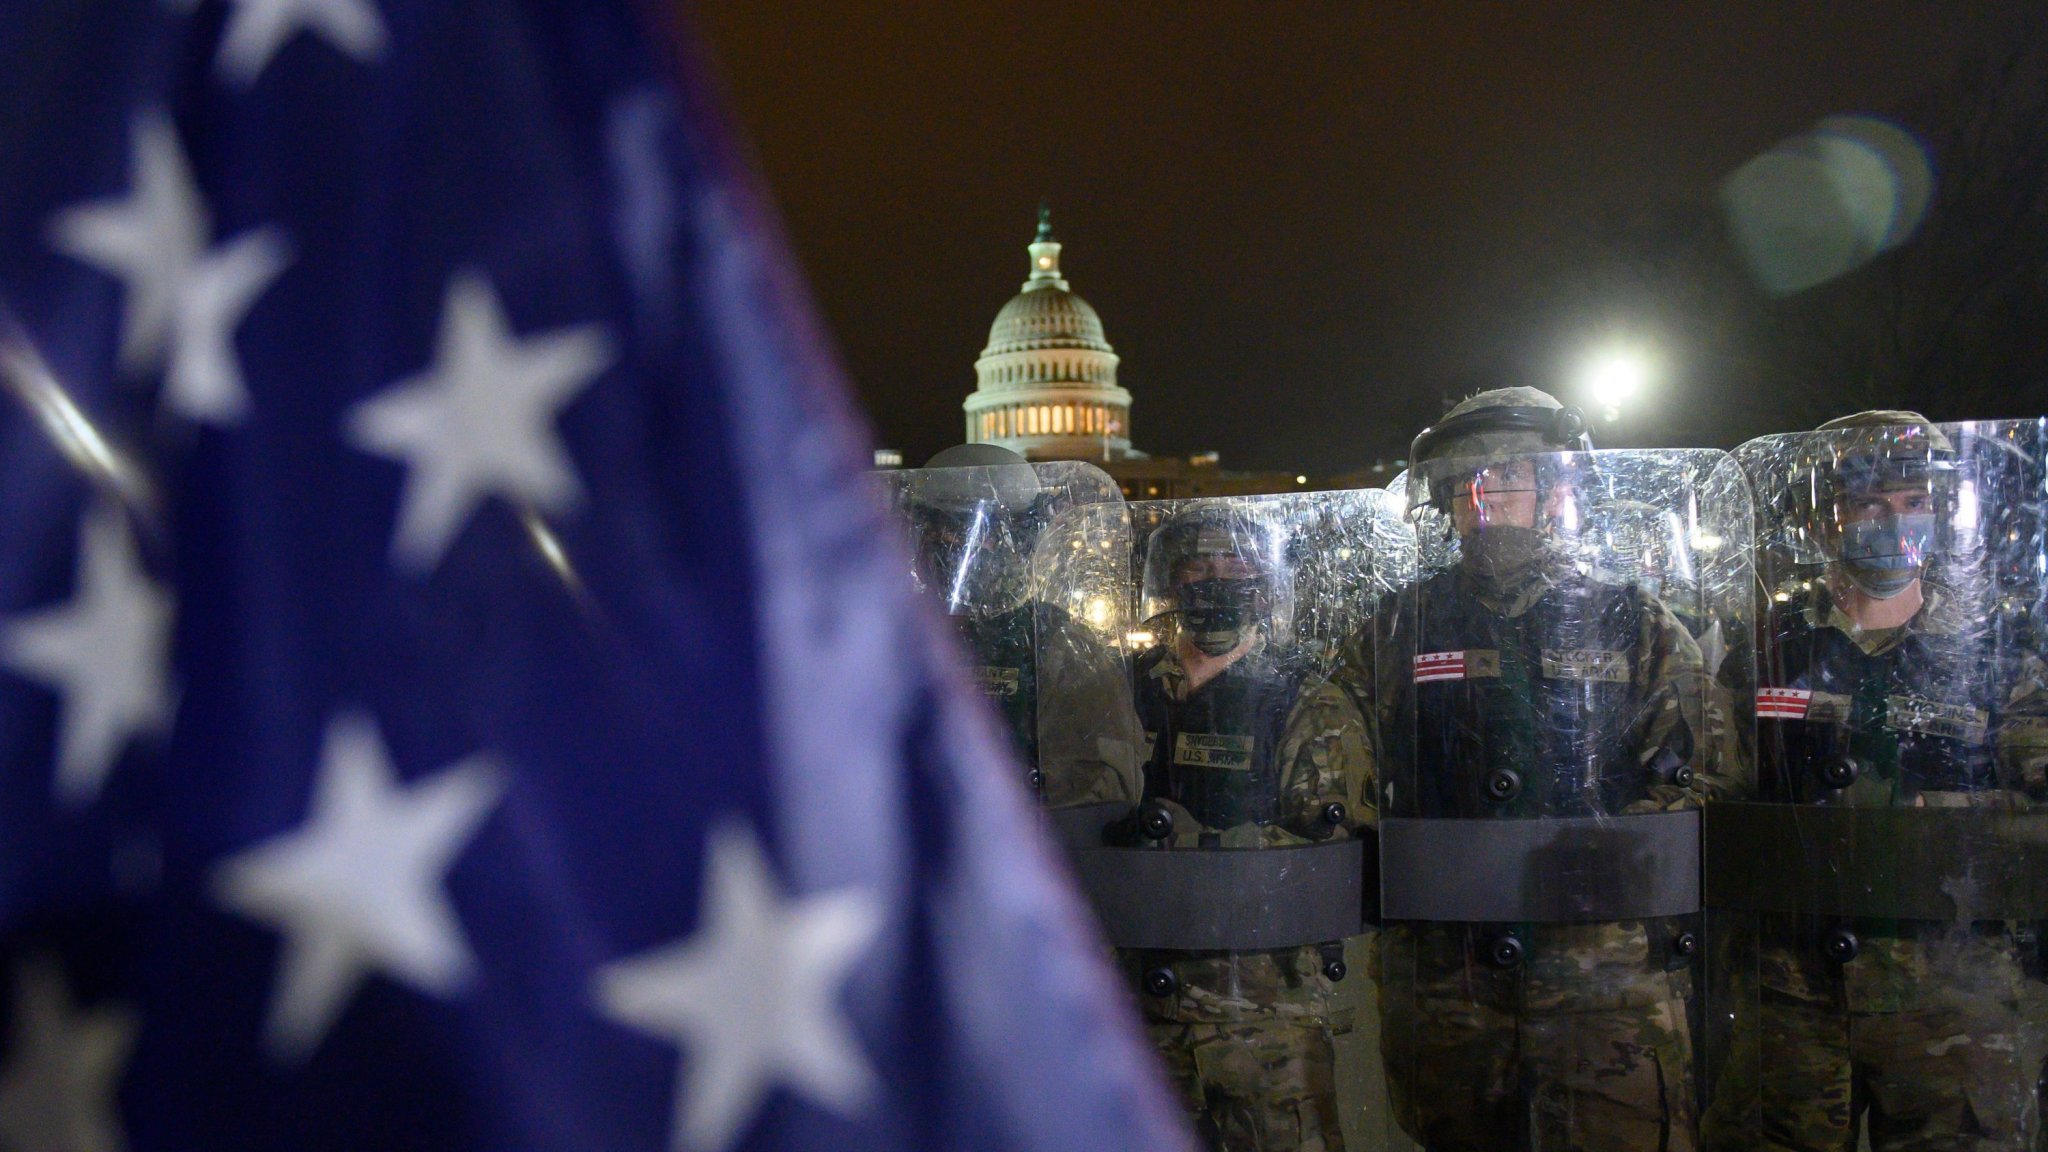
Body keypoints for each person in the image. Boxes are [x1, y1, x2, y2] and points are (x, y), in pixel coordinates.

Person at [1279, 387, 1746, 1151]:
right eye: (1464, 487)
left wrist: (1600, 854)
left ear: (1559, 490)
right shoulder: (1398, 626)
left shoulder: (1635, 619)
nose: (1481, 502)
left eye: (1502, 480)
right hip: (1448, 973)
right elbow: (1332, 761)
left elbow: (1709, 775)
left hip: (1602, 972)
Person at [1743, 411, 2048, 1151]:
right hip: (1794, 993)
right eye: (1868, 504)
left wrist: (1928, 822)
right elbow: (1722, 800)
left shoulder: (1999, 662)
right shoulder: (1766, 654)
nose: (1892, 522)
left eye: (1914, 502)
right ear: (1827, 521)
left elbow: (2036, 815)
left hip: (1952, 993)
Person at [1116, 505, 1350, 1151]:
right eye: (1198, 565)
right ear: (1171, 580)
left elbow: (1320, 850)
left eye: (1235, 564)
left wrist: (1192, 848)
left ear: (1264, 581)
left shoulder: (1305, 696)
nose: (1215, 579)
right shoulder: (1122, 689)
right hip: (1136, 1008)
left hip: (1264, 1013)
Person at [902, 445, 1142, 808]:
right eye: (937, 529)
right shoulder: (893, 636)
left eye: (971, 532)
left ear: (1015, 543)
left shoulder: (1057, 644)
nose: (950, 546)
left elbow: (1107, 780)